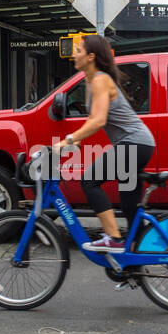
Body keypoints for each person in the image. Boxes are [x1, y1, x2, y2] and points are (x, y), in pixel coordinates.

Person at [55, 34, 155, 253]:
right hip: (140, 144)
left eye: (78, 50)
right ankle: (137, 259)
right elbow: (93, 121)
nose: (74, 54)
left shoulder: (100, 80)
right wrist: (76, 141)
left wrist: (67, 141)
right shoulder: (93, 82)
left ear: (91, 56)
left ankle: (113, 238)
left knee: (89, 180)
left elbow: (99, 121)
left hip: (133, 144)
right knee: (129, 206)